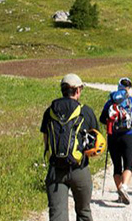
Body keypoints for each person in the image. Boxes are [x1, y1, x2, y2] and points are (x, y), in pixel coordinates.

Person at [40, 74, 100, 221]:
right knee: (84, 212)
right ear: (78, 90)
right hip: (80, 169)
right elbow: (96, 140)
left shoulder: (50, 111)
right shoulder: (86, 111)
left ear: (62, 90)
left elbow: (46, 141)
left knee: (57, 215)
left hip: (55, 171)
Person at [99, 77, 132, 205]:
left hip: (113, 137)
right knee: (128, 165)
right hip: (128, 136)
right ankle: (124, 187)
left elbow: (102, 119)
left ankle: (120, 192)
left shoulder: (110, 102)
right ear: (129, 88)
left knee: (117, 167)